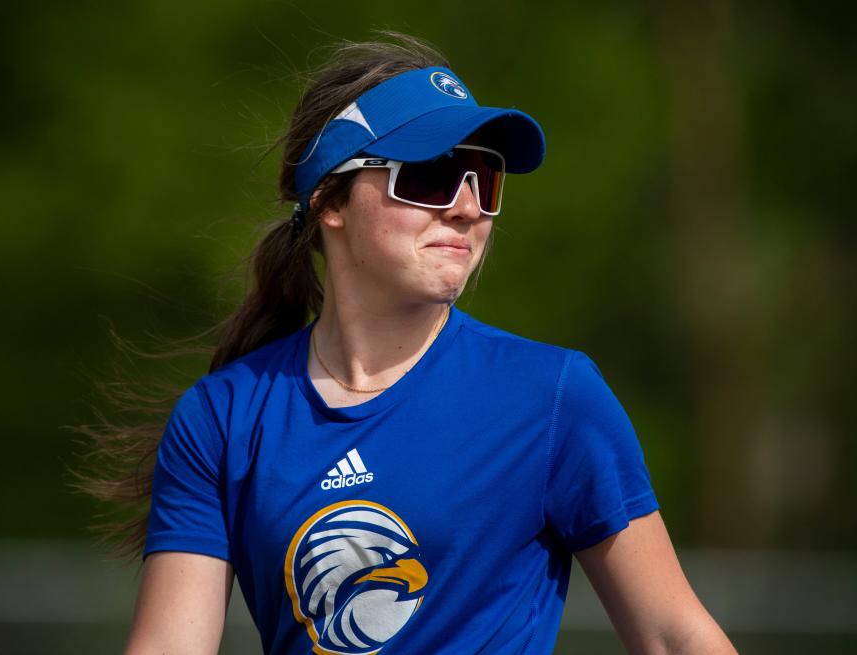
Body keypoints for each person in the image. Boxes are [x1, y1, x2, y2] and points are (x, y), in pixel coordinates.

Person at [113, 34, 737, 655]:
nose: (468, 209)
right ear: (331, 200)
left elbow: (673, 635)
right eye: (433, 176)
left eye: (485, 180)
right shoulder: (221, 416)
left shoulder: (553, 398)